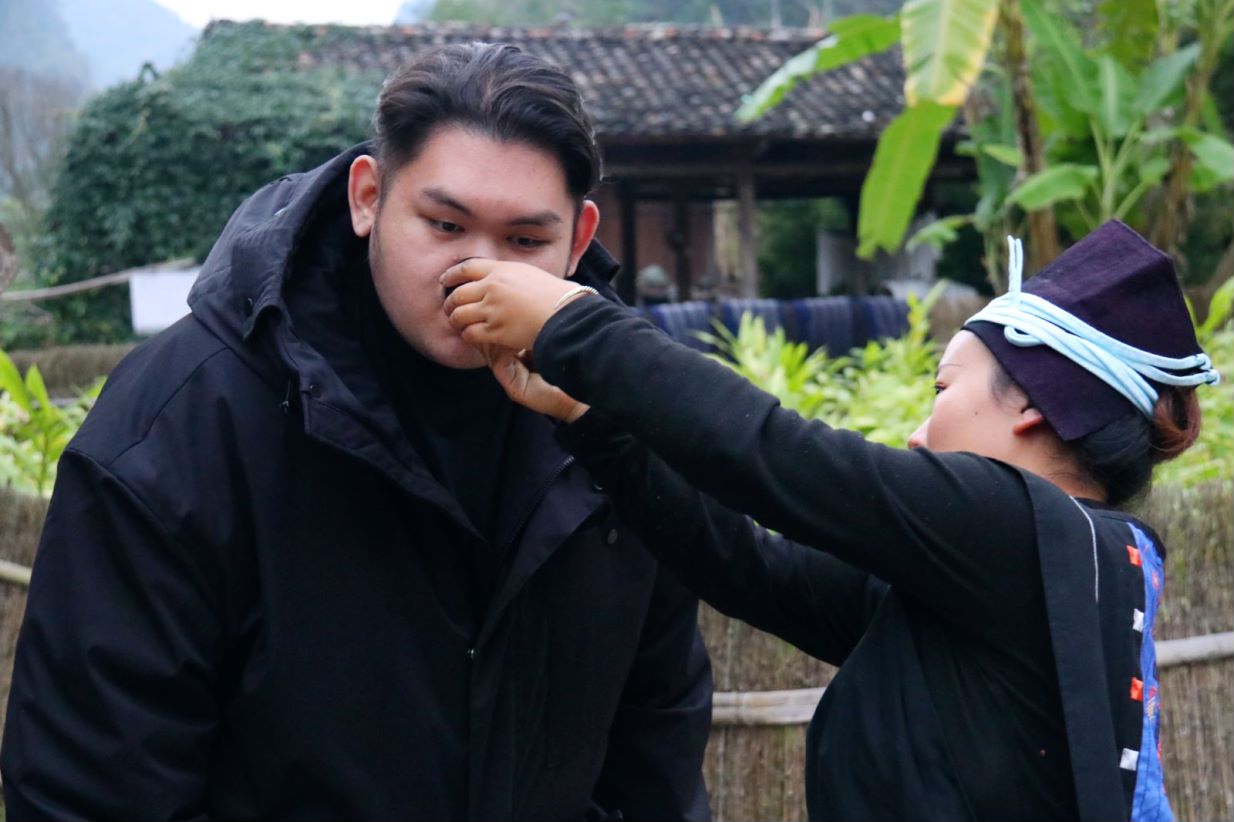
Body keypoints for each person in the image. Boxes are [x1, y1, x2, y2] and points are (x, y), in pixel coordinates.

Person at [0, 43, 713, 820]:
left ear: (577, 241)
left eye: (525, 242)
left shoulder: (622, 421)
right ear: (368, 198)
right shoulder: (181, 423)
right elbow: (89, 790)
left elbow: (659, 745)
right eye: (445, 225)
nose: (481, 274)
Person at [442, 220, 1218, 821]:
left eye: (943, 389)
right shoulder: (1056, 568)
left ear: (1033, 407)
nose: (918, 433)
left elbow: (772, 453)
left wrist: (574, 325)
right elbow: (755, 571)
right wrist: (594, 422)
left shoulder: (1008, 526)